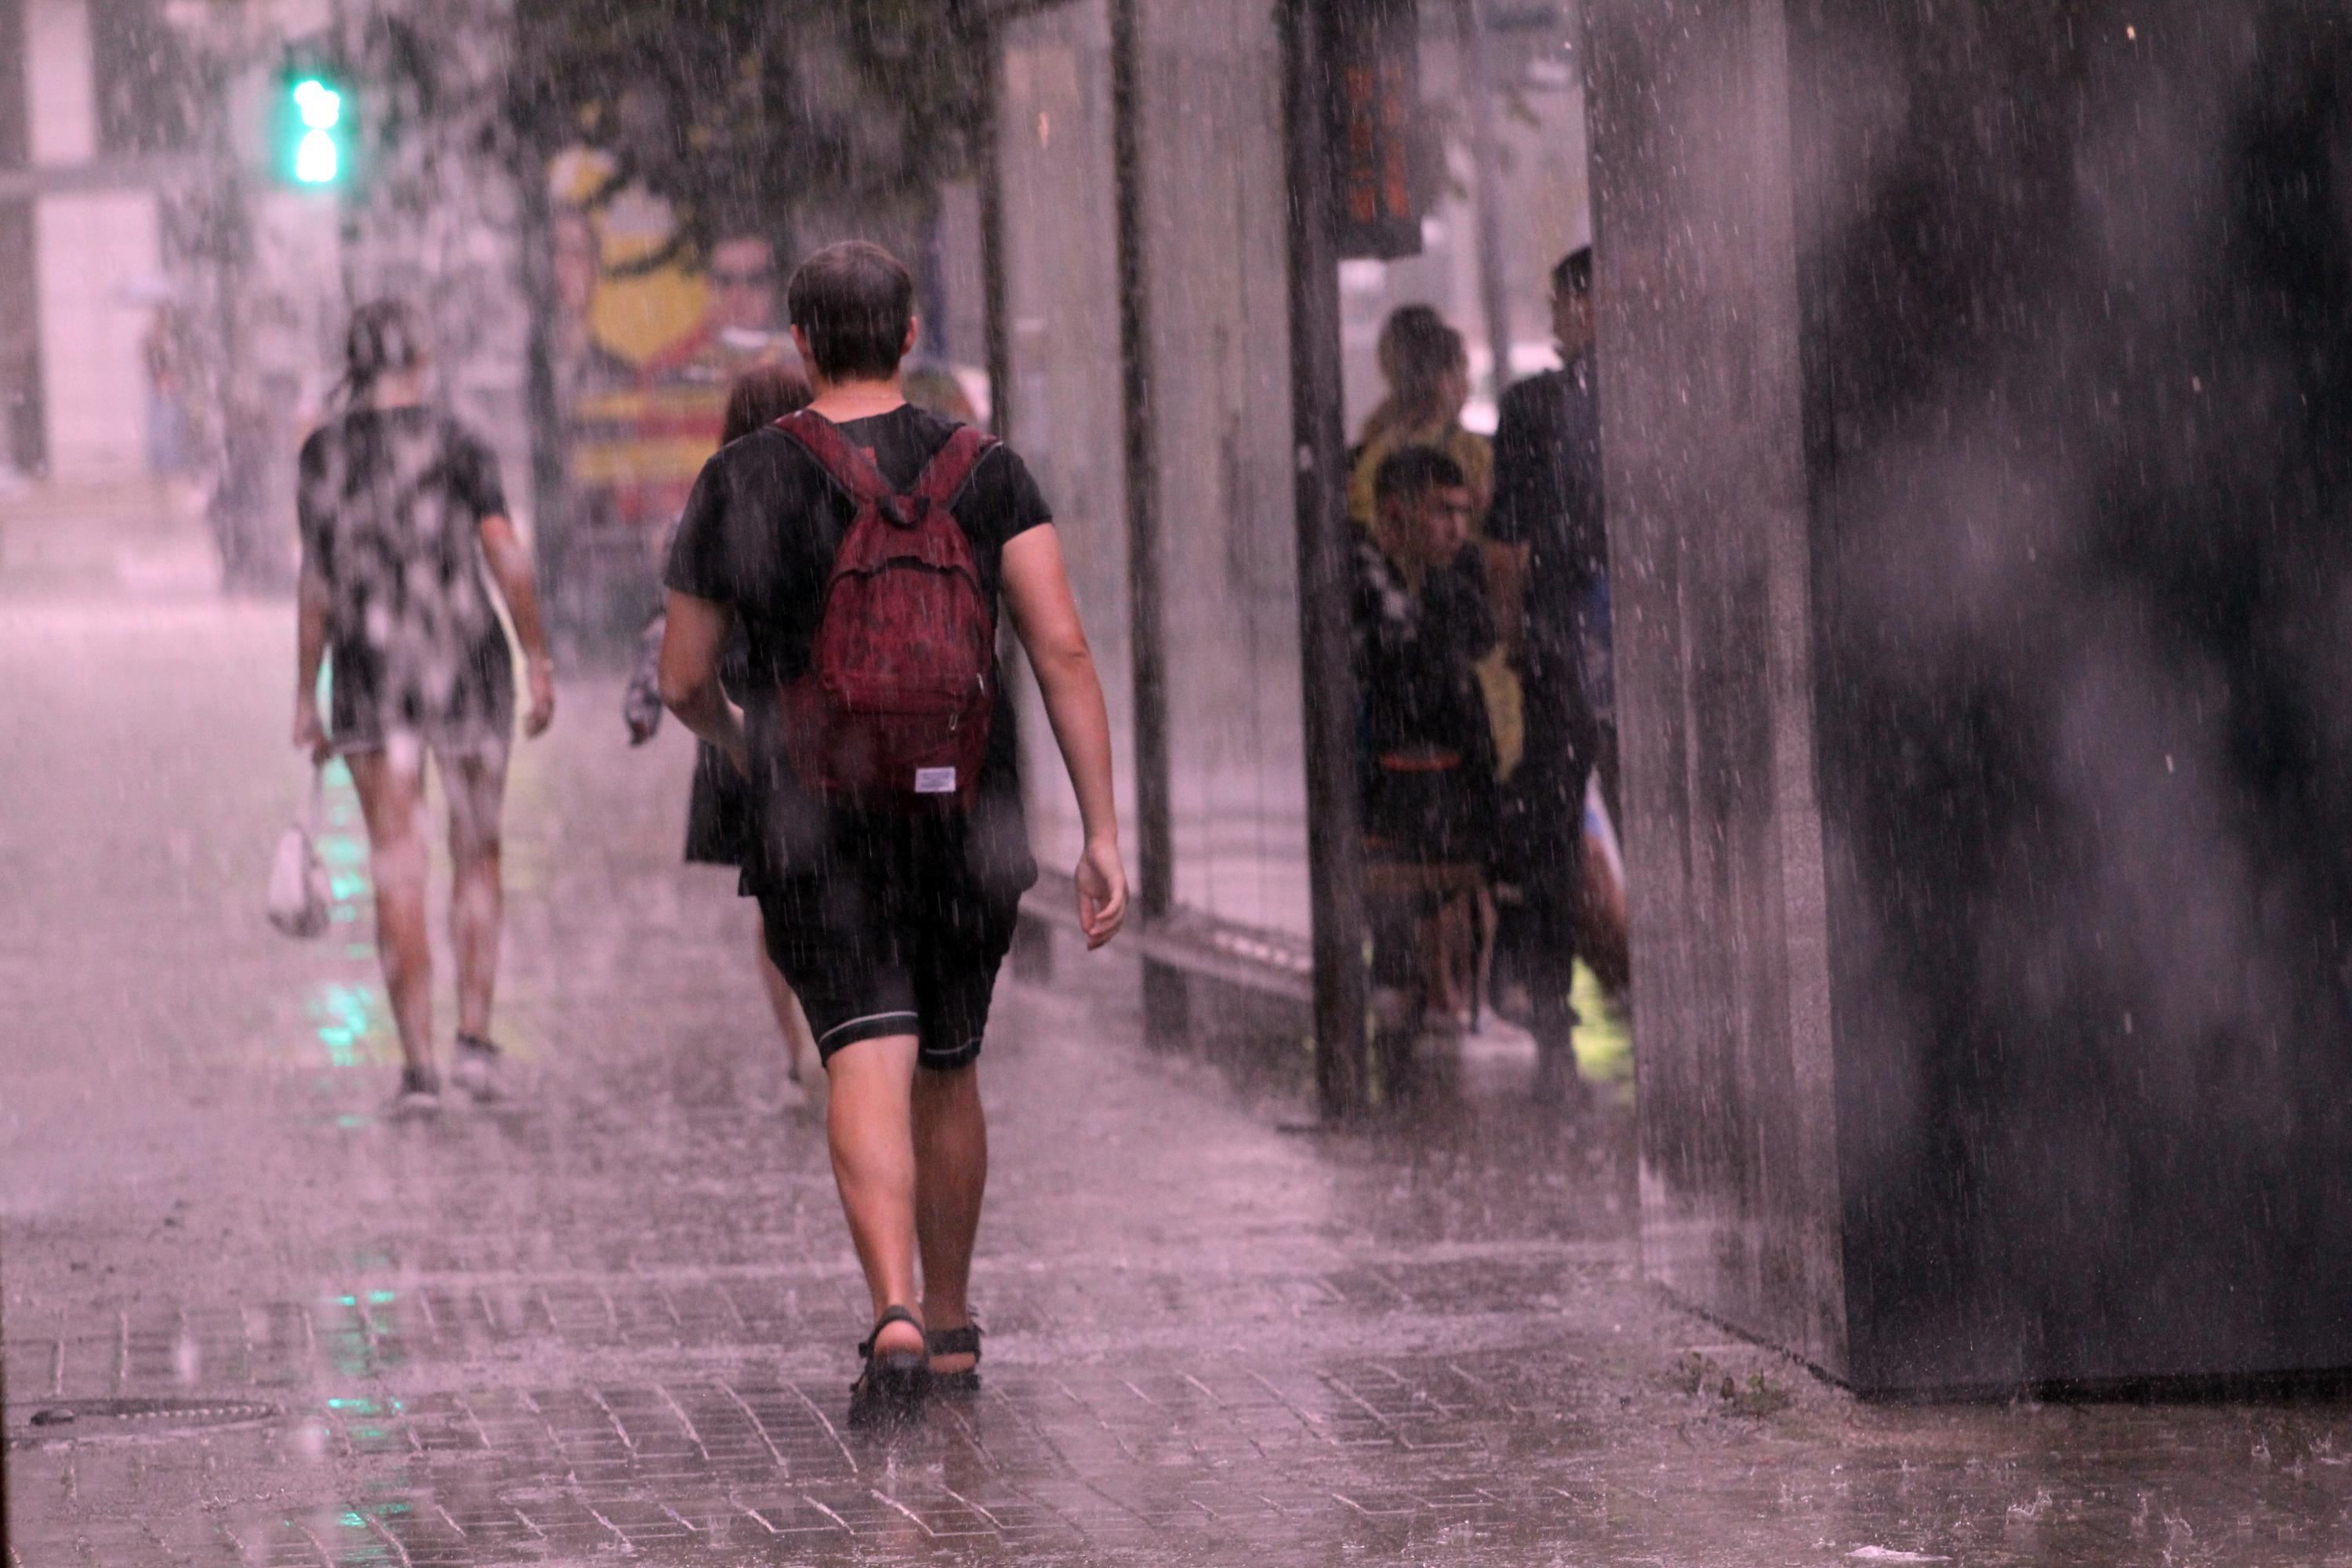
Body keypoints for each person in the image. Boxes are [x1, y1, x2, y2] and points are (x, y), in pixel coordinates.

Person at [659, 241, 1127, 1417]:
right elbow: (1062, 648)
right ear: (910, 337)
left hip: (819, 819)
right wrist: (1102, 832)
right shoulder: (987, 468)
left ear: (803, 343)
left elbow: (680, 678)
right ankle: (958, 1321)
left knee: (864, 1053)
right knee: (952, 1065)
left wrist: (741, 740)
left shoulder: (741, 478)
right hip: (967, 813)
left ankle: (896, 1309)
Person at [293, 299, 556, 1116]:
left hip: (372, 671)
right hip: (469, 661)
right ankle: (475, 1041)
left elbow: (318, 585)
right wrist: (535, 655)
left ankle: (418, 1070)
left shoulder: (325, 453)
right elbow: (505, 556)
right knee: (477, 852)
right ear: (425, 354)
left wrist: (306, 691)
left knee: (396, 860)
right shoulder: (461, 440)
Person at [625, 363, 822, 1098]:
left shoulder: (712, 507)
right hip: (828, 732)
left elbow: (670, 644)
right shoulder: (836, 500)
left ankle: (800, 1046)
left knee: (775, 899)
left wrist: (720, 733)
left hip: (740, 727)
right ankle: (847, 1033)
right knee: (840, 882)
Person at [1486, 246, 1610, 1104]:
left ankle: (1554, 1008)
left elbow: (1505, 544)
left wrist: (1516, 638)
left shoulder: (1535, 405)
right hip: (1633, 643)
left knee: (1556, 823)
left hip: (1562, 636)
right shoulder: (1662, 393)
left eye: (1563, 302)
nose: (1556, 318)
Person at [1356, 448, 1501, 1033]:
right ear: (1395, 518)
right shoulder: (1360, 578)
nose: (1457, 530)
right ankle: (1419, 985)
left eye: (1464, 514)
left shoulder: (1452, 580)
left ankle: (1447, 991)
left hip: (1438, 787)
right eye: (1443, 513)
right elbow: (1418, 673)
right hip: (1386, 792)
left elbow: (1472, 652)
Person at [1347, 305, 1494, 531]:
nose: (1468, 386)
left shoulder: (1376, 447)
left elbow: (1366, 520)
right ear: (1441, 380)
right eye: (1461, 373)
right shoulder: (1471, 451)